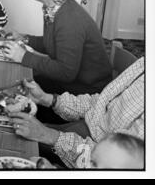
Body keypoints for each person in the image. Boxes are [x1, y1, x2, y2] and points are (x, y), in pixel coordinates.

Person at [3, 0, 112, 123]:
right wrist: (24, 38)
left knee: (15, 107)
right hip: (70, 85)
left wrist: (24, 56)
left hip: (84, 95)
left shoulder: (70, 19)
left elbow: (66, 72)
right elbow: (53, 45)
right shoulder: (53, 9)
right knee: (14, 88)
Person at [8, 57, 144, 169]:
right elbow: (100, 102)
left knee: (14, 147)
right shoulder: (143, 64)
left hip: (93, 152)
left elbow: (112, 161)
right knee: (11, 129)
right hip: (82, 130)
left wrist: (49, 135)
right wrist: (46, 98)